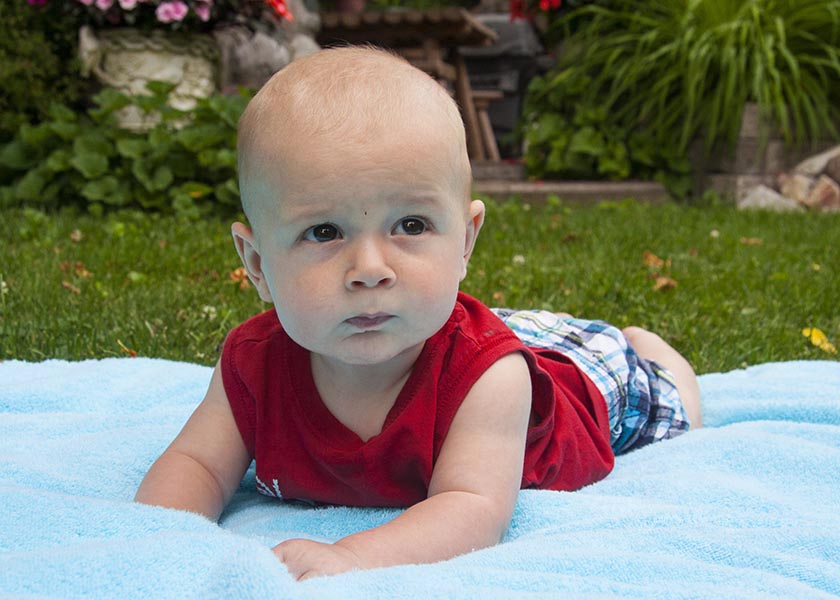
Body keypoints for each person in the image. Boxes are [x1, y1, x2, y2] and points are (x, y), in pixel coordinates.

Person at [135, 46, 702, 581]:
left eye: (411, 225)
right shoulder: (251, 365)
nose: (371, 269)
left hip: (580, 388)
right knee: (493, 332)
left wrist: (351, 555)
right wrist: (162, 540)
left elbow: (472, 506)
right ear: (257, 263)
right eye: (324, 232)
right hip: (452, 327)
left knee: (663, 401)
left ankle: (652, 349)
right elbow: (197, 464)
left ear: (464, 242)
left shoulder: (490, 379)